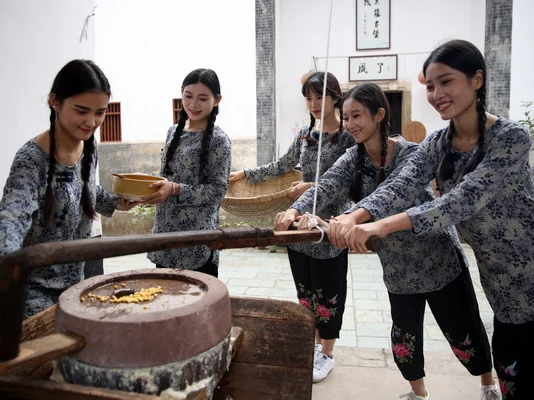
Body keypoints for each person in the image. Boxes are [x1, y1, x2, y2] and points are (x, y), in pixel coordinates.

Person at [344, 40, 534, 399]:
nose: (437, 93)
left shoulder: (510, 138)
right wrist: (357, 216)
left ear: (477, 80)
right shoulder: (438, 143)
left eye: (446, 81)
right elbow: (403, 183)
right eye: (430, 86)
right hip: (498, 280)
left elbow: (461, 201)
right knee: (510, 370)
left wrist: (380, 225)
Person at [275, 82, 500, 398]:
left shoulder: (411, 154)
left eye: (357, 116)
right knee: (405, 336)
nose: (350, 124)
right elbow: (325, 186)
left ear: (379, 114)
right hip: (396, 265)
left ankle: (488, 385)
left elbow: (394, 194)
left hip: (438, 259)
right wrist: (295, 209)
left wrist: (354, 217)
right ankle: (418, 393)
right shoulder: (353, 158)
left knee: (464, 330)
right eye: (347, 117)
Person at [0, 59, 138, 322]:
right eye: (82, 110)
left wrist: (117, 201)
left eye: (100, 112)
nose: (91, 122)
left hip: (75, 290)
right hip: (31, 296)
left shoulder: (87, 146)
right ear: (55, 101)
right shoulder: (32, 159)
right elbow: (9, 216)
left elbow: (82, 188)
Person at [230, 71, 356, 383]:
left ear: (336, 97)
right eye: (309, 98)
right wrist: (244, 173)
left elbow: (350, 182)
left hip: (329, 228)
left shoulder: (349, 136)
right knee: (306, 292)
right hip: (298, 228)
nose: (314, 103)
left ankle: (326, 352)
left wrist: (308, 185)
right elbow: (281, 166)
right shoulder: (304, 134)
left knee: (330, 292)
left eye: (320, 96)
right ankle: (312, 347)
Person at [144, 68, 231, 278]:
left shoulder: (219, 140)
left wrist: (174, 189)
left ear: (217, 100)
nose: (193, 104)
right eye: (188, 96)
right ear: (181, 93)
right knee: (165, 302)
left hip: (197, 241)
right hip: (165, 235)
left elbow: (217, 191)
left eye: (203, 98)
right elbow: (167, 177)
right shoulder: (173, 132)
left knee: (198, 305)